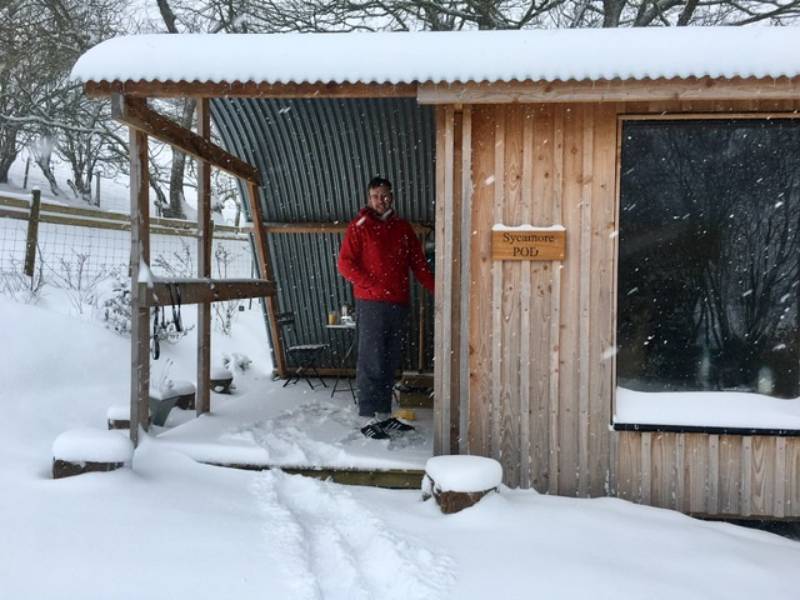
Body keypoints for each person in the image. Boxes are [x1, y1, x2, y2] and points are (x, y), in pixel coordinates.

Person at [338, 177, 435, 439]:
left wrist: (438, 291)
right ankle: (368, 418)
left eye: (385, 195)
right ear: (368, 199)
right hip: (371, 304)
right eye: (375, 196)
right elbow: (345, 264)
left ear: (392, 196)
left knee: (390, 359)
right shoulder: (359, 227)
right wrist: (370, 284)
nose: (381, 200)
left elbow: (419, 265)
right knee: (371, 360)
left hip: (398, 304)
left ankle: (384, 415)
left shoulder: (403, 228)